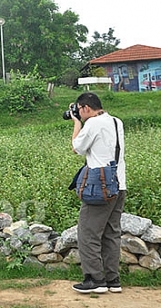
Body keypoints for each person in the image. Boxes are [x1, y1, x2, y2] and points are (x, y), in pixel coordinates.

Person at [69, 92, 126, 294]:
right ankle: (113, 280)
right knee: (111, 234)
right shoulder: (116, 122)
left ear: (85, 108)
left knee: (88, 233)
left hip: (100, 188)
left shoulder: (93, 123)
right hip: (119, 185)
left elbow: (77, 147)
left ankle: (95, 279)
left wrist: (77, 124)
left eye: (79, 110)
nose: (79, 113)